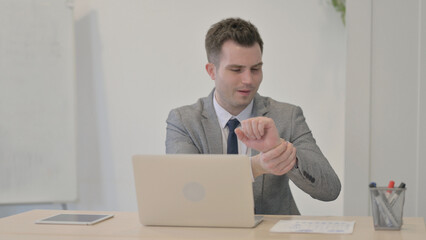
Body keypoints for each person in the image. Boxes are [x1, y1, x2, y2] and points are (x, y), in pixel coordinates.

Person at [166, 18, 341, 215]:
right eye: (236, 70)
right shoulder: (184, 121)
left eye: (256, 69)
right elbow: (186, 190)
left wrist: (282, 153)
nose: (248, 80)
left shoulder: (287, 116)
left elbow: (330, 190)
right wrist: (256, 166)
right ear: (211, 71)